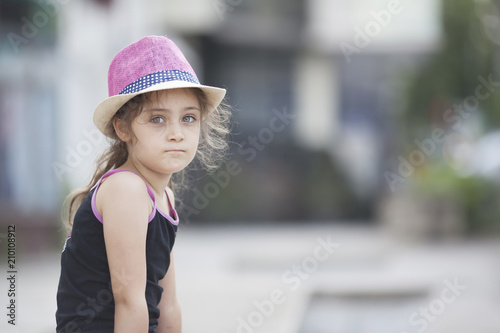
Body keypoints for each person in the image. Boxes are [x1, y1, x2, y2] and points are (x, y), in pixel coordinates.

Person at [56, 35, 231, 333]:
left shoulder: (163, 197)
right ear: (122, 127)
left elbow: (168, 304)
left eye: (188, 118)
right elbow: (130, 302)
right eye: (157, 120)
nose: (176, 133)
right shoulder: (126, 189)